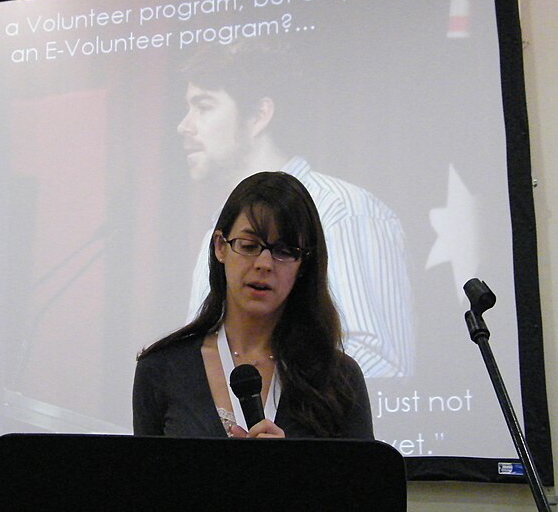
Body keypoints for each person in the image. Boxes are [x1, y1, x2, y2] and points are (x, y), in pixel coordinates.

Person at [177, 40, 413, 378]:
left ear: (258, 116)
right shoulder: (218, 231)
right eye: (247, 246)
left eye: (204, 106)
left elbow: (380, 360)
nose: (184, 126)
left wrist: (278, 410)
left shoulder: (345, 210)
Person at [132, 172, 373, 438]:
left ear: (303, 264)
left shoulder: (338, 379)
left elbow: (362, 480)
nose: (264, 264)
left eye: (284, 251)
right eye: (248, 246)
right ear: (220, 247)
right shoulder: (161, 368)